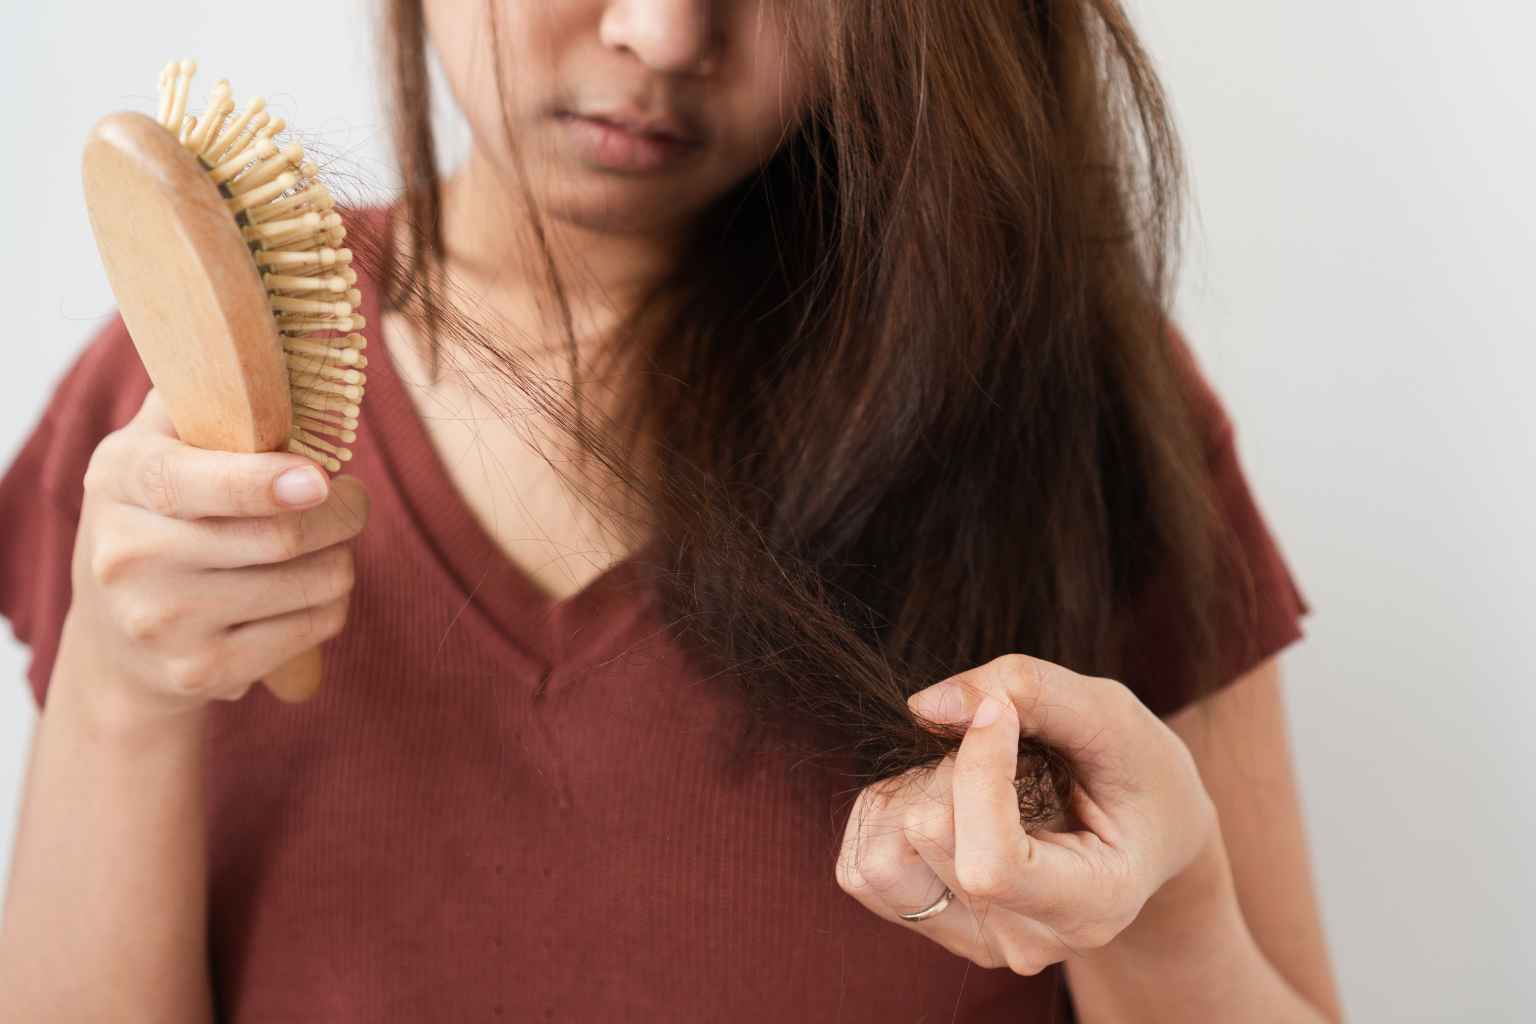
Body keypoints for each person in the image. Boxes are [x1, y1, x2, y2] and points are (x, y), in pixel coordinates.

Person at [0, 2, 1344, 1021]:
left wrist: (1166, 911)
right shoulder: (172, 403)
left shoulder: (1070, 411)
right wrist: (123, 699)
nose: (663, 33)